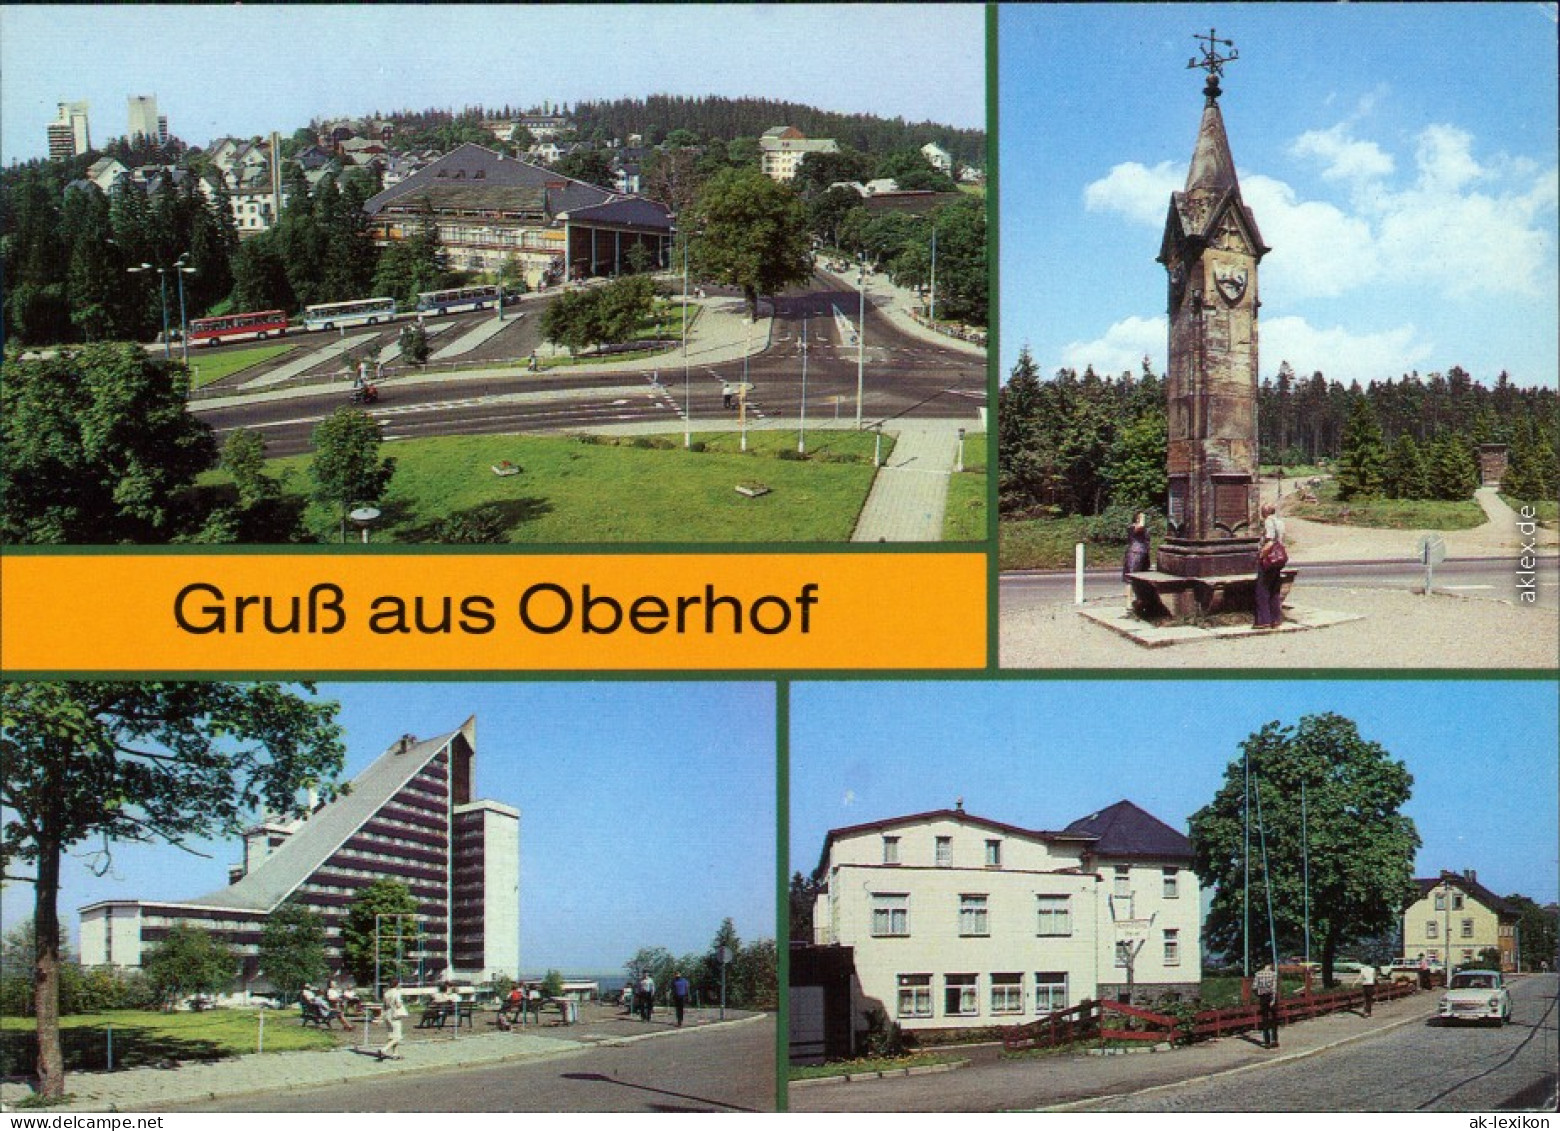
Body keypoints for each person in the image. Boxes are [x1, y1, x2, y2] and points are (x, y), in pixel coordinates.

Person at [1254, 502, 1287, 628]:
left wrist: (1261, 555)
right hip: (1278, 559)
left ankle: (1264, 620)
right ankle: (1276, 618)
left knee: (1262, 589)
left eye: (1262, 511)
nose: (1261, 514)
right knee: (1275, 589)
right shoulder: (1280, 522)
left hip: (1269, 558)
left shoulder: (1269, 521)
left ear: (1266, 512)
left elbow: (1270, 541)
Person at [1122, 511, 1151, 603]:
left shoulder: (1143, 528)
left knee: (1141, 578)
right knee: (1131, 578)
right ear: (1137, 518)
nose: (1144, 518)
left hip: (1143, 554)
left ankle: (1139, 599)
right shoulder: (1133, 527)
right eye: (1142, 517)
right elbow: (1140, 526)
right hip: (1134, 554)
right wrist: (1141, 518)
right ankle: (1128, 602)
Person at [378, 977, 408, 1060]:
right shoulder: (397, 993)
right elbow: (398, 1005)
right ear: (397, 984)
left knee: (392, 1035)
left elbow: (384, 1005)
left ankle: (395, 1054)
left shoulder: (386, 993)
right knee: (398, 1036)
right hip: (394, 1015)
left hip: (387, 1014)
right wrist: (401, 1003)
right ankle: (384, 1049)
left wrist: (381, 1016)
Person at [1253, 963, 1280, 1049]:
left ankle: (1266, 1041)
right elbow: (1274, 989)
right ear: (1269, 966)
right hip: (1271, 997)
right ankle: (1274, 1040)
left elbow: (1254, 987)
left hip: (1262, 997)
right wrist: (1273, 1000)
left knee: (1265, 1018)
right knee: (1274, 1018)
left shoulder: (1258, 974)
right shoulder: (1273, 974)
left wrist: (1259, 995)